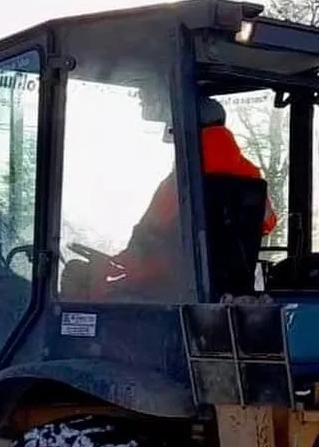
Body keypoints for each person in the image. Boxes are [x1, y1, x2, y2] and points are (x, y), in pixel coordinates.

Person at [93, 95, 277, 298]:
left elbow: (149, 236)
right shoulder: (251, 175)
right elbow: (268, 223)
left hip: (172, 290)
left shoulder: (181, 182)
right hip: (231, 294)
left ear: (187, 130)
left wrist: (120, 263)